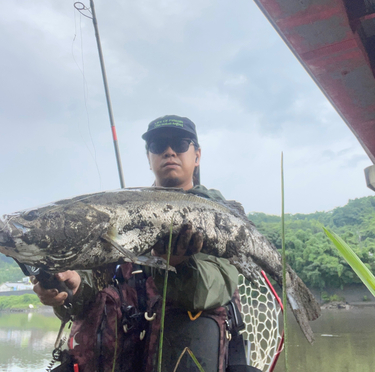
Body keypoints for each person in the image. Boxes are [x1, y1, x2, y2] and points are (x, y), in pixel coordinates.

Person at [33, 115, 250, 372]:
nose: (169, 151)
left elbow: (210, 290)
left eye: (180, 143)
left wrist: (178, 264)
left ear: (197, 155)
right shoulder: (121, 214)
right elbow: (94, 286)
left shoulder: (220, 220)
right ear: (149, 157)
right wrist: (75, 286)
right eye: (158, 145)